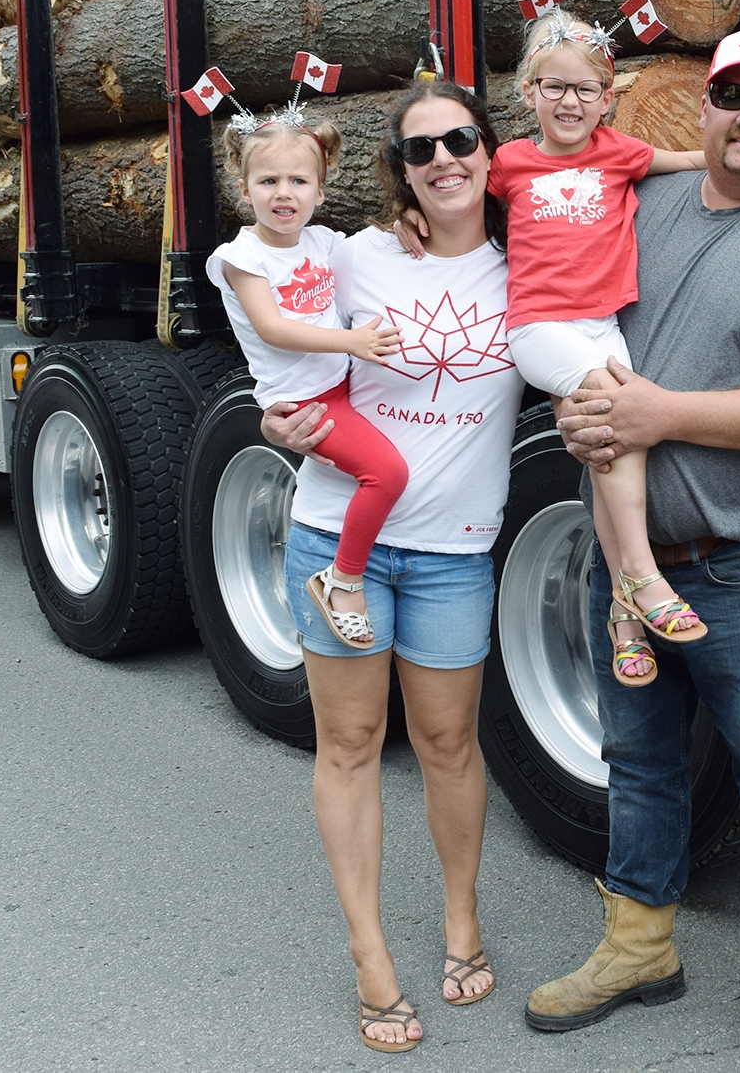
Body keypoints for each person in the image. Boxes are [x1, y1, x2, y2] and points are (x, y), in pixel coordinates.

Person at [525, 27, 740, 1073]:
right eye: (732, 95)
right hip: (622, 563)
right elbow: (567, 315)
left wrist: (656, 414)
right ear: (704, 108)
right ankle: (638, 946)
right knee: (637, 755)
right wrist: (574, 413)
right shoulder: (643, 205)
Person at [259, 82, 523, 1054]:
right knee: (353, 742)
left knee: (450, 743)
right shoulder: (355, 259)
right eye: (422, 150)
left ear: (490, 152)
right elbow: (283, 367)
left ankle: (460, 918)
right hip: (341, 543)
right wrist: (272, 421)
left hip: (454, 551)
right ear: (399, 169)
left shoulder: (522, 266)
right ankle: (371, 954)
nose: (444, 159)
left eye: (460, 139)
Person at [492, 8, 707, 688]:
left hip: (600, 325)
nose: (569, 101)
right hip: (538, 326)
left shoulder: (620, 152)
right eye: (553, 86)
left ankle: (623, 621)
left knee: (623, 440)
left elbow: (688, 160)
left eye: (585, 89)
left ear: (607, 99)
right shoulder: (509, 163)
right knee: (618, 412)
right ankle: (645, 578)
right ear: (529, 92)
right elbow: (454, 208)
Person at [208, 115, 407, 649]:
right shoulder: (241, 259)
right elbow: (274, 330)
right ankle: (342, 580)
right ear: (243, 186)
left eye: (298, 181)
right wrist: (353, 343)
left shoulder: (322, 241)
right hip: (306, 402)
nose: (283, 194)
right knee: (386, 474)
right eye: (268, 181)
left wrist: (405, 224)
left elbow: (375, 252)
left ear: (320, 188)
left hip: (342, 385)